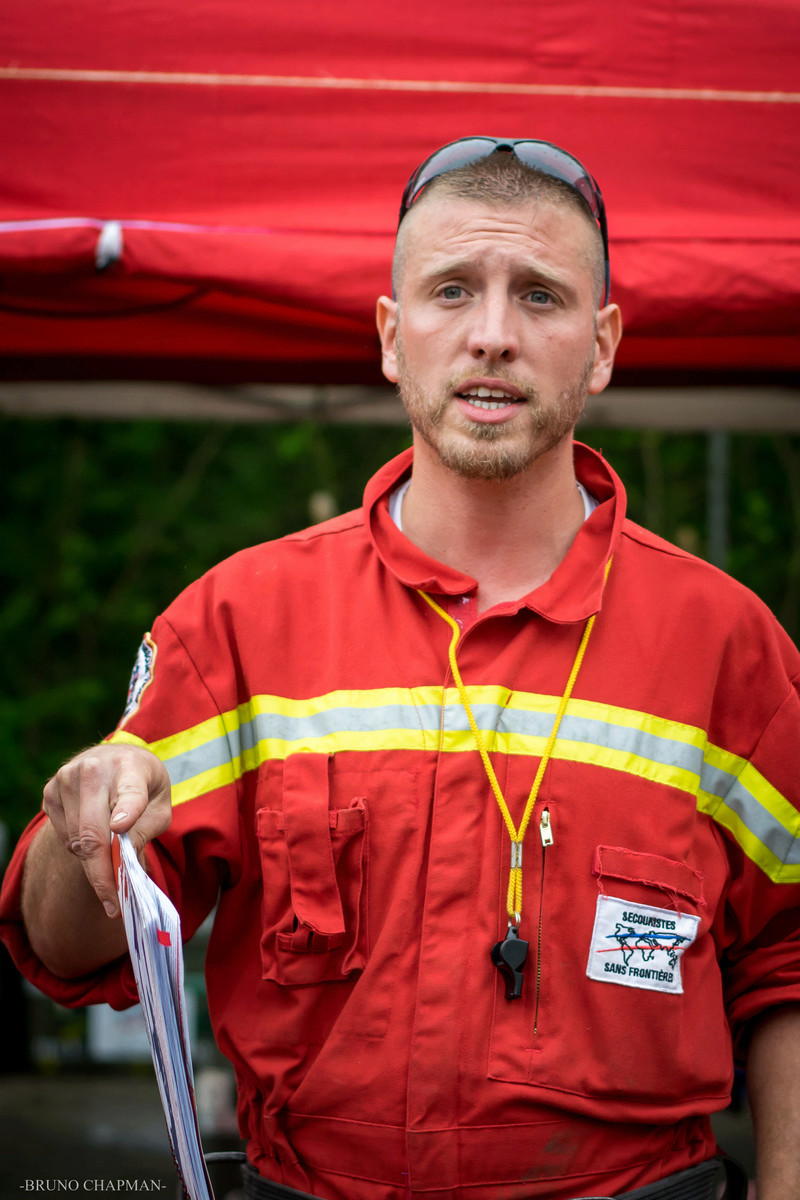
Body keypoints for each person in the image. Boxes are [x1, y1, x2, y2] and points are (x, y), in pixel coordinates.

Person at [1, 137, 799, 1200]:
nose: (491, 337)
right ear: (390, 336)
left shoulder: (726, 644)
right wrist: (78, 828)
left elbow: (786, 963)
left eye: (542, 298)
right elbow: (65, 950)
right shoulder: (242, 621)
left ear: (601, 348)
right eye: (451, 291)